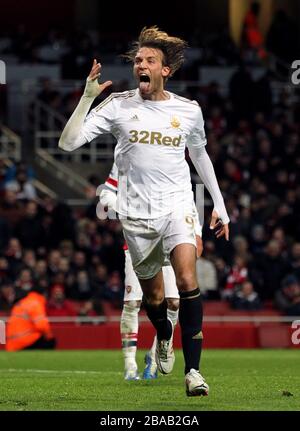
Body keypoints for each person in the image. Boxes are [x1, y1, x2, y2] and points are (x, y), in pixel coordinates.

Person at [58, 26, 230, 396]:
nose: (141, 64)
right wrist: (87, 97)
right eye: (138, 60)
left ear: (165, 69)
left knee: (186, 280)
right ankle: (164, 334)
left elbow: (199, 155)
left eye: (150, 60)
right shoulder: (119, 105)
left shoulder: (188, 111)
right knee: (152, 298)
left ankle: (194, 372)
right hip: (136, 216)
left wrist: (219, 204)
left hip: (177, 206)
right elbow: (68, 143)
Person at [100, 163, 203, 380]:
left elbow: (189, 198)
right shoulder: (125, 156)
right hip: (140, 242)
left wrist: (197, 231)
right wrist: (124, 209)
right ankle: (129, 365)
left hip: (171, 236)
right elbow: (106, 193)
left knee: (174, 302)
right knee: (134, 303)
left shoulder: (170, 155)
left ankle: (156, 356)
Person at [6, 285, 56, 351]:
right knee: (51, 342)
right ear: (44, 294)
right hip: (26, 341)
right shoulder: (35, 303)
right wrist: (50, 336)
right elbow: (42, 325)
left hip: (12, 344)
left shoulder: (21, 303)